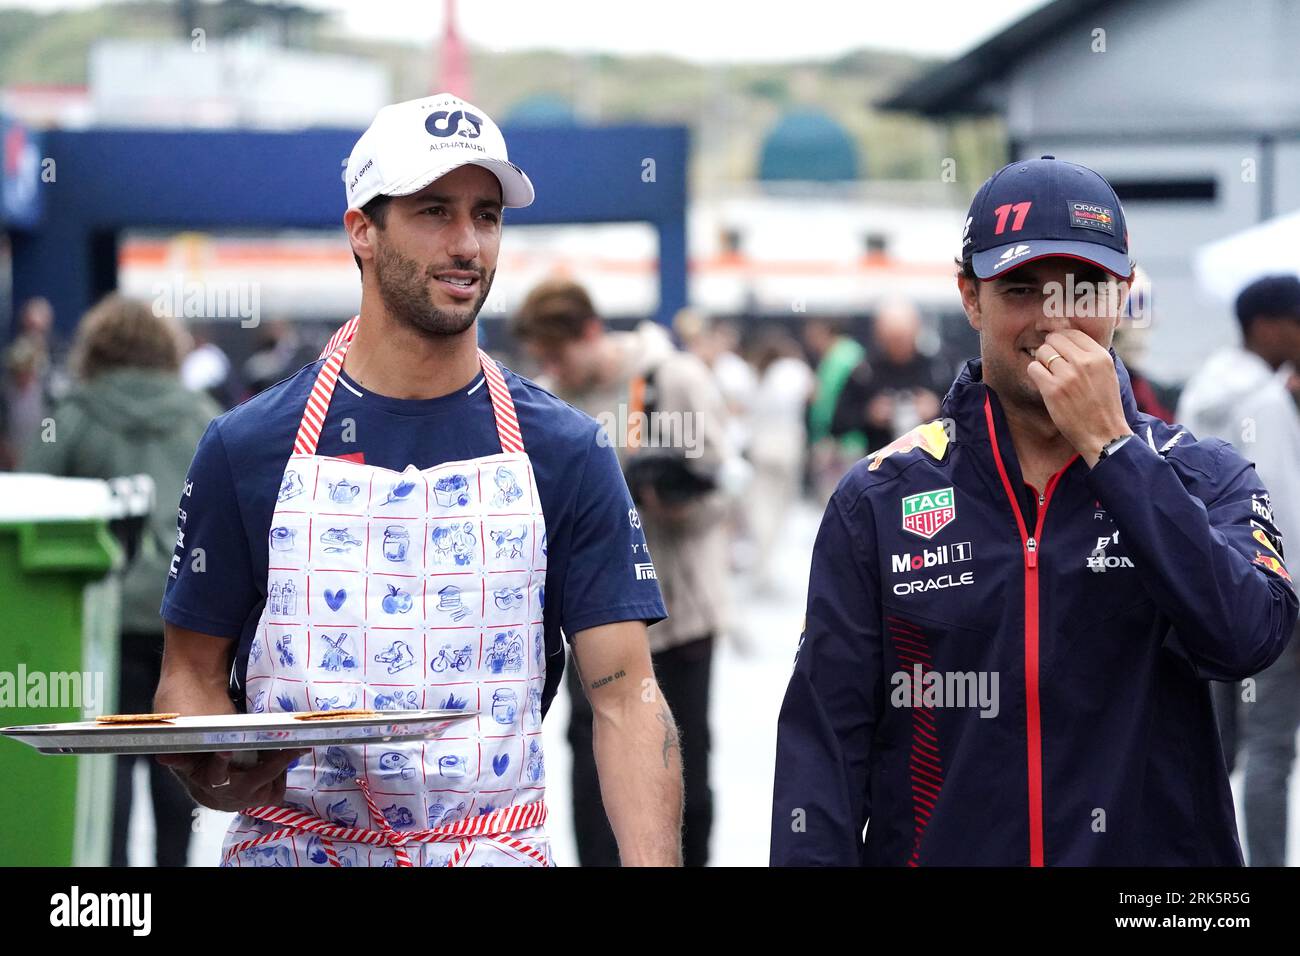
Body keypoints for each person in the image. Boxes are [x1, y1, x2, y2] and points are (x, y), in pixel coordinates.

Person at [154, 94, 681, 868]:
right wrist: (220, 771)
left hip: (490, 850)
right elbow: (189, 678)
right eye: (434, 211)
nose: (468, 243)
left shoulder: (566, 452)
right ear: (362, 231)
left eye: (487, 214)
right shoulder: (246, 447)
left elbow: (625, 697)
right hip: (298, 849)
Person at [771, 156, 1298, 866]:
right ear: (970, 296)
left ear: (1122, 295)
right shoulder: (879, 499)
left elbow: (1247, 640)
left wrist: (1114, 453)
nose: (1053, 320)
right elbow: (824, 755)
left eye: (1082, 289)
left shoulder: (1202, 475)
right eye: (1020, 289)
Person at [511, 278, 732, 867]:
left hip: (679, 618)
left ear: (590, 331)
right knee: (592, 773)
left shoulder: (668, 380)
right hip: (596, 622)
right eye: (542, 359)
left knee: (683, 770)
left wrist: (667, 494)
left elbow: (722, 488)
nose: (552, 367)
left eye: (558, 353)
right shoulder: (553, 403)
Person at [23, 293, 220, 867]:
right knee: (176, 772)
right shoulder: (200, 415)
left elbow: (32, 504)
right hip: (181, 626)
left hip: (95, 622)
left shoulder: (75, 412)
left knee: (104, 767)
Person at [1177, 273, 1300, 866]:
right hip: (1267, 593)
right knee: (1272, 747)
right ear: (1268, 327)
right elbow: (1281, 511)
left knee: (1217, 745)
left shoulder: (1204, 387)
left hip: (1205, 590)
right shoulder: (1264, 398)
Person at [830, 300, 950, 454]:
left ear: (916, 331)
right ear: (879, 335)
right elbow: (836, 425)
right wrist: (869, 415)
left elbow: (961, 426)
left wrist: (938, 411)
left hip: (931, 464)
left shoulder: (938, 370)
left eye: (903, 337)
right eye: (892, 339)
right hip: (879, 465)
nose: (898, 345)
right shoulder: (865, 373)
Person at [745, 325, 814, 592]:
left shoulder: (757, 373)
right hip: (788, 443)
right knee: (781, 504)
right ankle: (768, 558)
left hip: (760, 443)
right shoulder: (794, 370)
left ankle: (761, 560)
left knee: (761, 503)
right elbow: (812, 393)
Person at [802, 317, 865, 501]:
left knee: (837, 496)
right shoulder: (844, 354)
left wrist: (827, 434)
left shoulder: (842, 356)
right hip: (839, 438)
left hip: (840, 439)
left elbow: (827, 401)